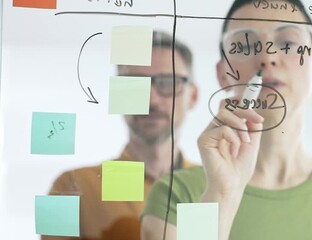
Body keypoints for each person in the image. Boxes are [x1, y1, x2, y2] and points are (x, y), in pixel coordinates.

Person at [141, 0, 312, 239]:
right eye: (245, 46)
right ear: (222, 75)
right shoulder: (177, 194)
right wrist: (222, 195)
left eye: (287, 44)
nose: (266, 57)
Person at [41, 31, 198, 240]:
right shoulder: (68, 187)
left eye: (168, 83)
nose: (151, 100)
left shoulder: (216, 187)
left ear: (193, 96)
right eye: (134, 84)